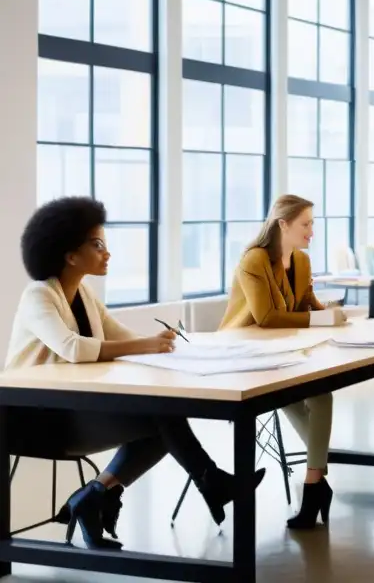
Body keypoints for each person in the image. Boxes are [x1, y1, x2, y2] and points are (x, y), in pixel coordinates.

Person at [6, 197, 265, 550]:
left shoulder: (83, 293)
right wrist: (146, 346)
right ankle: (208, 481)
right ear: (69, 254)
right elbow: (73, 347)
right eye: (97, 245)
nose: (107, 253)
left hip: (74, 409)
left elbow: (121, 335)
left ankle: (96, 495)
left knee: (163, 417)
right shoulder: (38, 296)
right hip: (35, 419)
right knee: (162, 417)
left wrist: (173, 346)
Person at [220, 194, 346, 530]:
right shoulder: (254, 260)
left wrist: (335, 314)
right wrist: (320, 321)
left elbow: (306, 304)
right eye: (306, 225)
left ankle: (314, 483)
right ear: (283, 224)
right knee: (315, 395)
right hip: (245, 353)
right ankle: (316, 482)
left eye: (312, 225)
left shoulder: (301, 261)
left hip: (282, 351)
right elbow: (265, 317)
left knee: (321, 394)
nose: (311, 232)